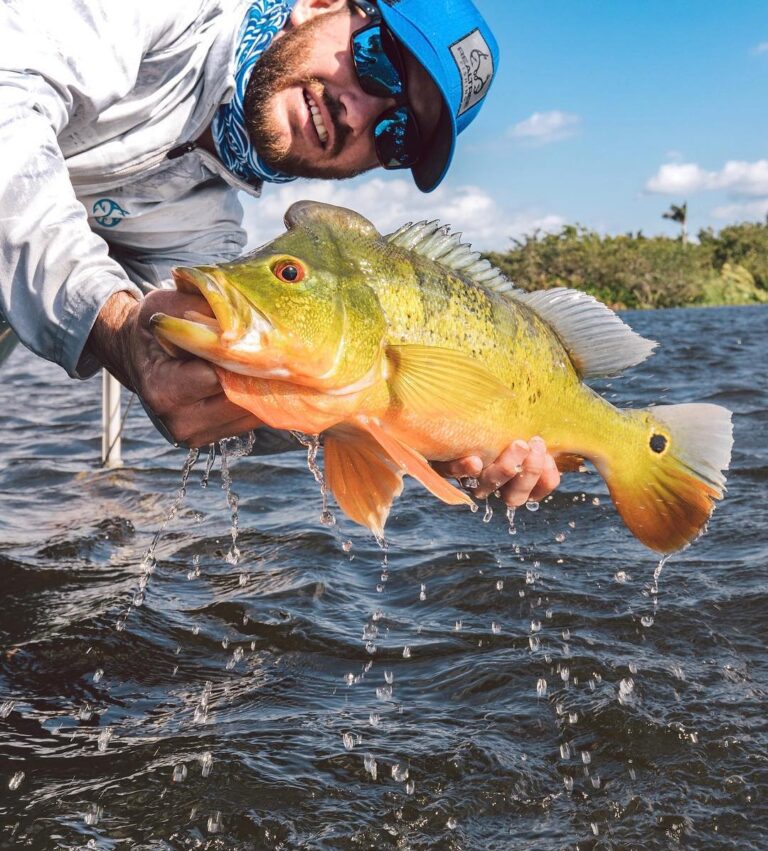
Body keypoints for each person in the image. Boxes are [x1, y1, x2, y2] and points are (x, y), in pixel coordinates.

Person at [0, 0, 560, 509]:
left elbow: (243, 392)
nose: (357, 113)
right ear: (321, 5)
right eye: (378, 59)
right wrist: (113, 320)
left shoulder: (208, 231)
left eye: (398, 135)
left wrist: (423, 429)